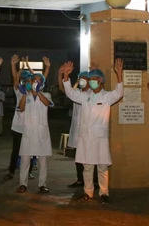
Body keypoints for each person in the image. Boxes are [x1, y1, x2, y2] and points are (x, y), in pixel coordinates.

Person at [61, 60, 124, 204]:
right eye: (90, 80)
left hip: (99, 137)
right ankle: (88, 192)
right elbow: (70, 92)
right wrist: (65, 75)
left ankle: (104, 192)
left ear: (101, 81)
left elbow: (119, 92)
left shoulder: (107, 96)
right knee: (87, 167)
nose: (91, 82)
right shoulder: (84, 96)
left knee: (102, 167)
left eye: (94, 79)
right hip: (86, 137)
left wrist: (119, 74)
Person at [57, 67, 98, 188]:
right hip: (77, 129)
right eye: (80, 78)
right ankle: (80, 179)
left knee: (90, 157)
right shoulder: (77, 93)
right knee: (78, 156)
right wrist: (61, 75)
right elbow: (63, 89)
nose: (81, 81)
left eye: (84, 78)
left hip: (88, 130)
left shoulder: (93, 94)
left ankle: (94, 181)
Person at [17, 72, 54, 194]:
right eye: (34, 80)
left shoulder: (46, 94)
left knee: (43, 161)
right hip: (28, 132)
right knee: (25, 160)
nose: (36, 83)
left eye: (39, 81)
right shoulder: (26, 96)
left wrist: (38, 92)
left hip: (41, 133)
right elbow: (21, 108)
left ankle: (42, 184)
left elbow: (47, 103)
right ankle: (23, 184)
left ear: (42, 84)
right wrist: (23, 94)